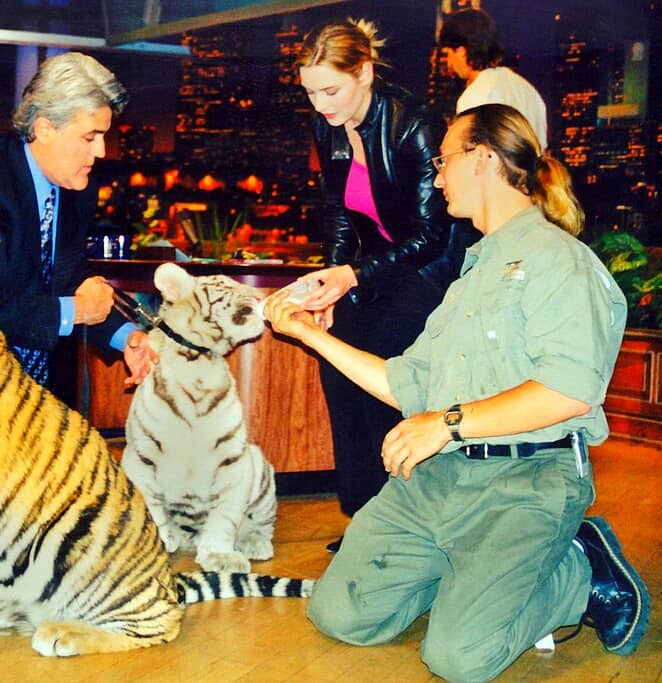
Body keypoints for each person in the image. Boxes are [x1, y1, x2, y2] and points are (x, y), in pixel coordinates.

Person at [265, 104, 649, 681]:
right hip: (441, 479)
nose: (438, 175)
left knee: (460, 659)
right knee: (340, 614)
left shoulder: (562, 263)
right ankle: (471, 581)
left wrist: (444, 423)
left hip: (526, 482)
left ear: (485, 159)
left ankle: (577, 569)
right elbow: (404, 383)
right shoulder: (469, 275)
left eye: (445, 161)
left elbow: (569, 392)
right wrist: (309, 337)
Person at [293, 19, 472, 550]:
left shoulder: (413, 123)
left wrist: (351, 274)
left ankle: (402, 519)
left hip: (430, 270)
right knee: (338, 366)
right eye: (310, 92)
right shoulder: (328, 126)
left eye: (331, 90)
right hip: (376, 269)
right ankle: (365, 518)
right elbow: (341, 215)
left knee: (382, 371)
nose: (322, 103)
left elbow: (431, 233)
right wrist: (333, 279)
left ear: (365, 73)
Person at [0, 51, 156, 394]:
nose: (101, 151)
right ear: (45, 128)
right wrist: (77, 309)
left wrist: (126, 337)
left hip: (47, 405)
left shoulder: (78, 190)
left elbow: (69, 281)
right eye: (90, 136)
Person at [439, 7, 548, 149]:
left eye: (448, 54)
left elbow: (473, 157)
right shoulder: (527, 90)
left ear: (461, 51)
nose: (449, 63)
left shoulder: (475, 97)